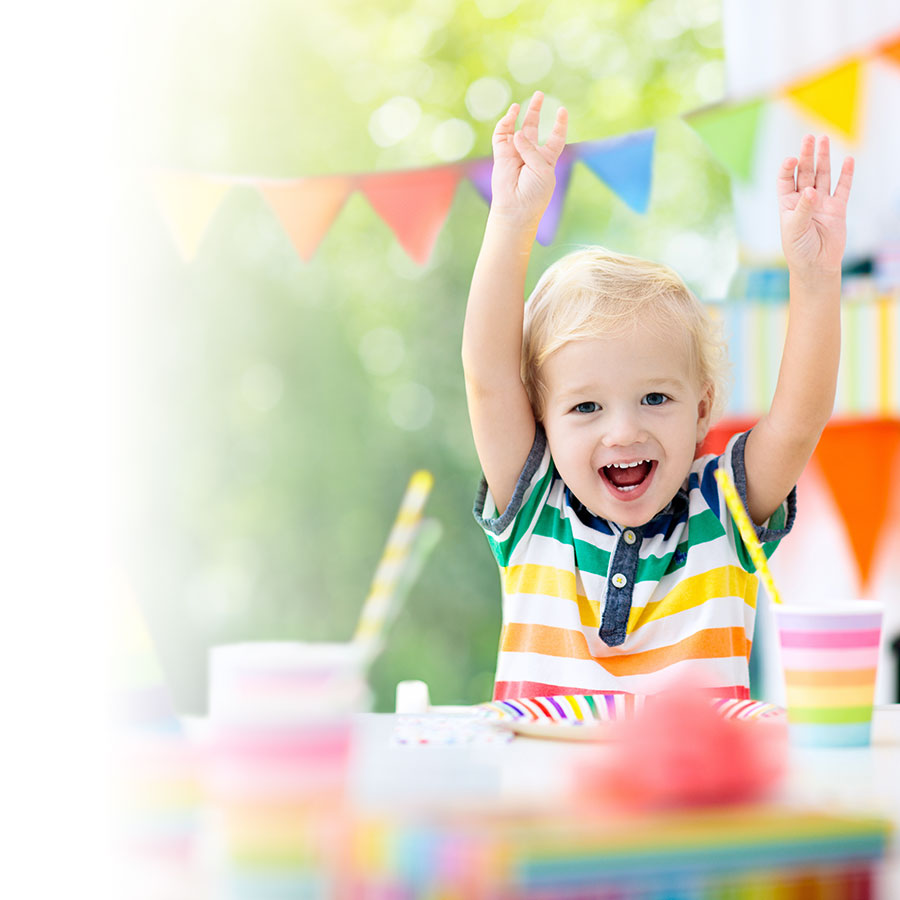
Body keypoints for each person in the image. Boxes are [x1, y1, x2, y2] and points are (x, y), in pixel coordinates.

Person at [462, 91, 854, 702]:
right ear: (541, 417)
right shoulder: (535, 507)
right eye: (586, 407)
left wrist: (815, 277)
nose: (623, 431)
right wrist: (512, 220)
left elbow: (800, 421)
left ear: (701, 411)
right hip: (543, 795)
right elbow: (487, 376)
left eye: (654, 399)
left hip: (699, 798)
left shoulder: (724, 509)